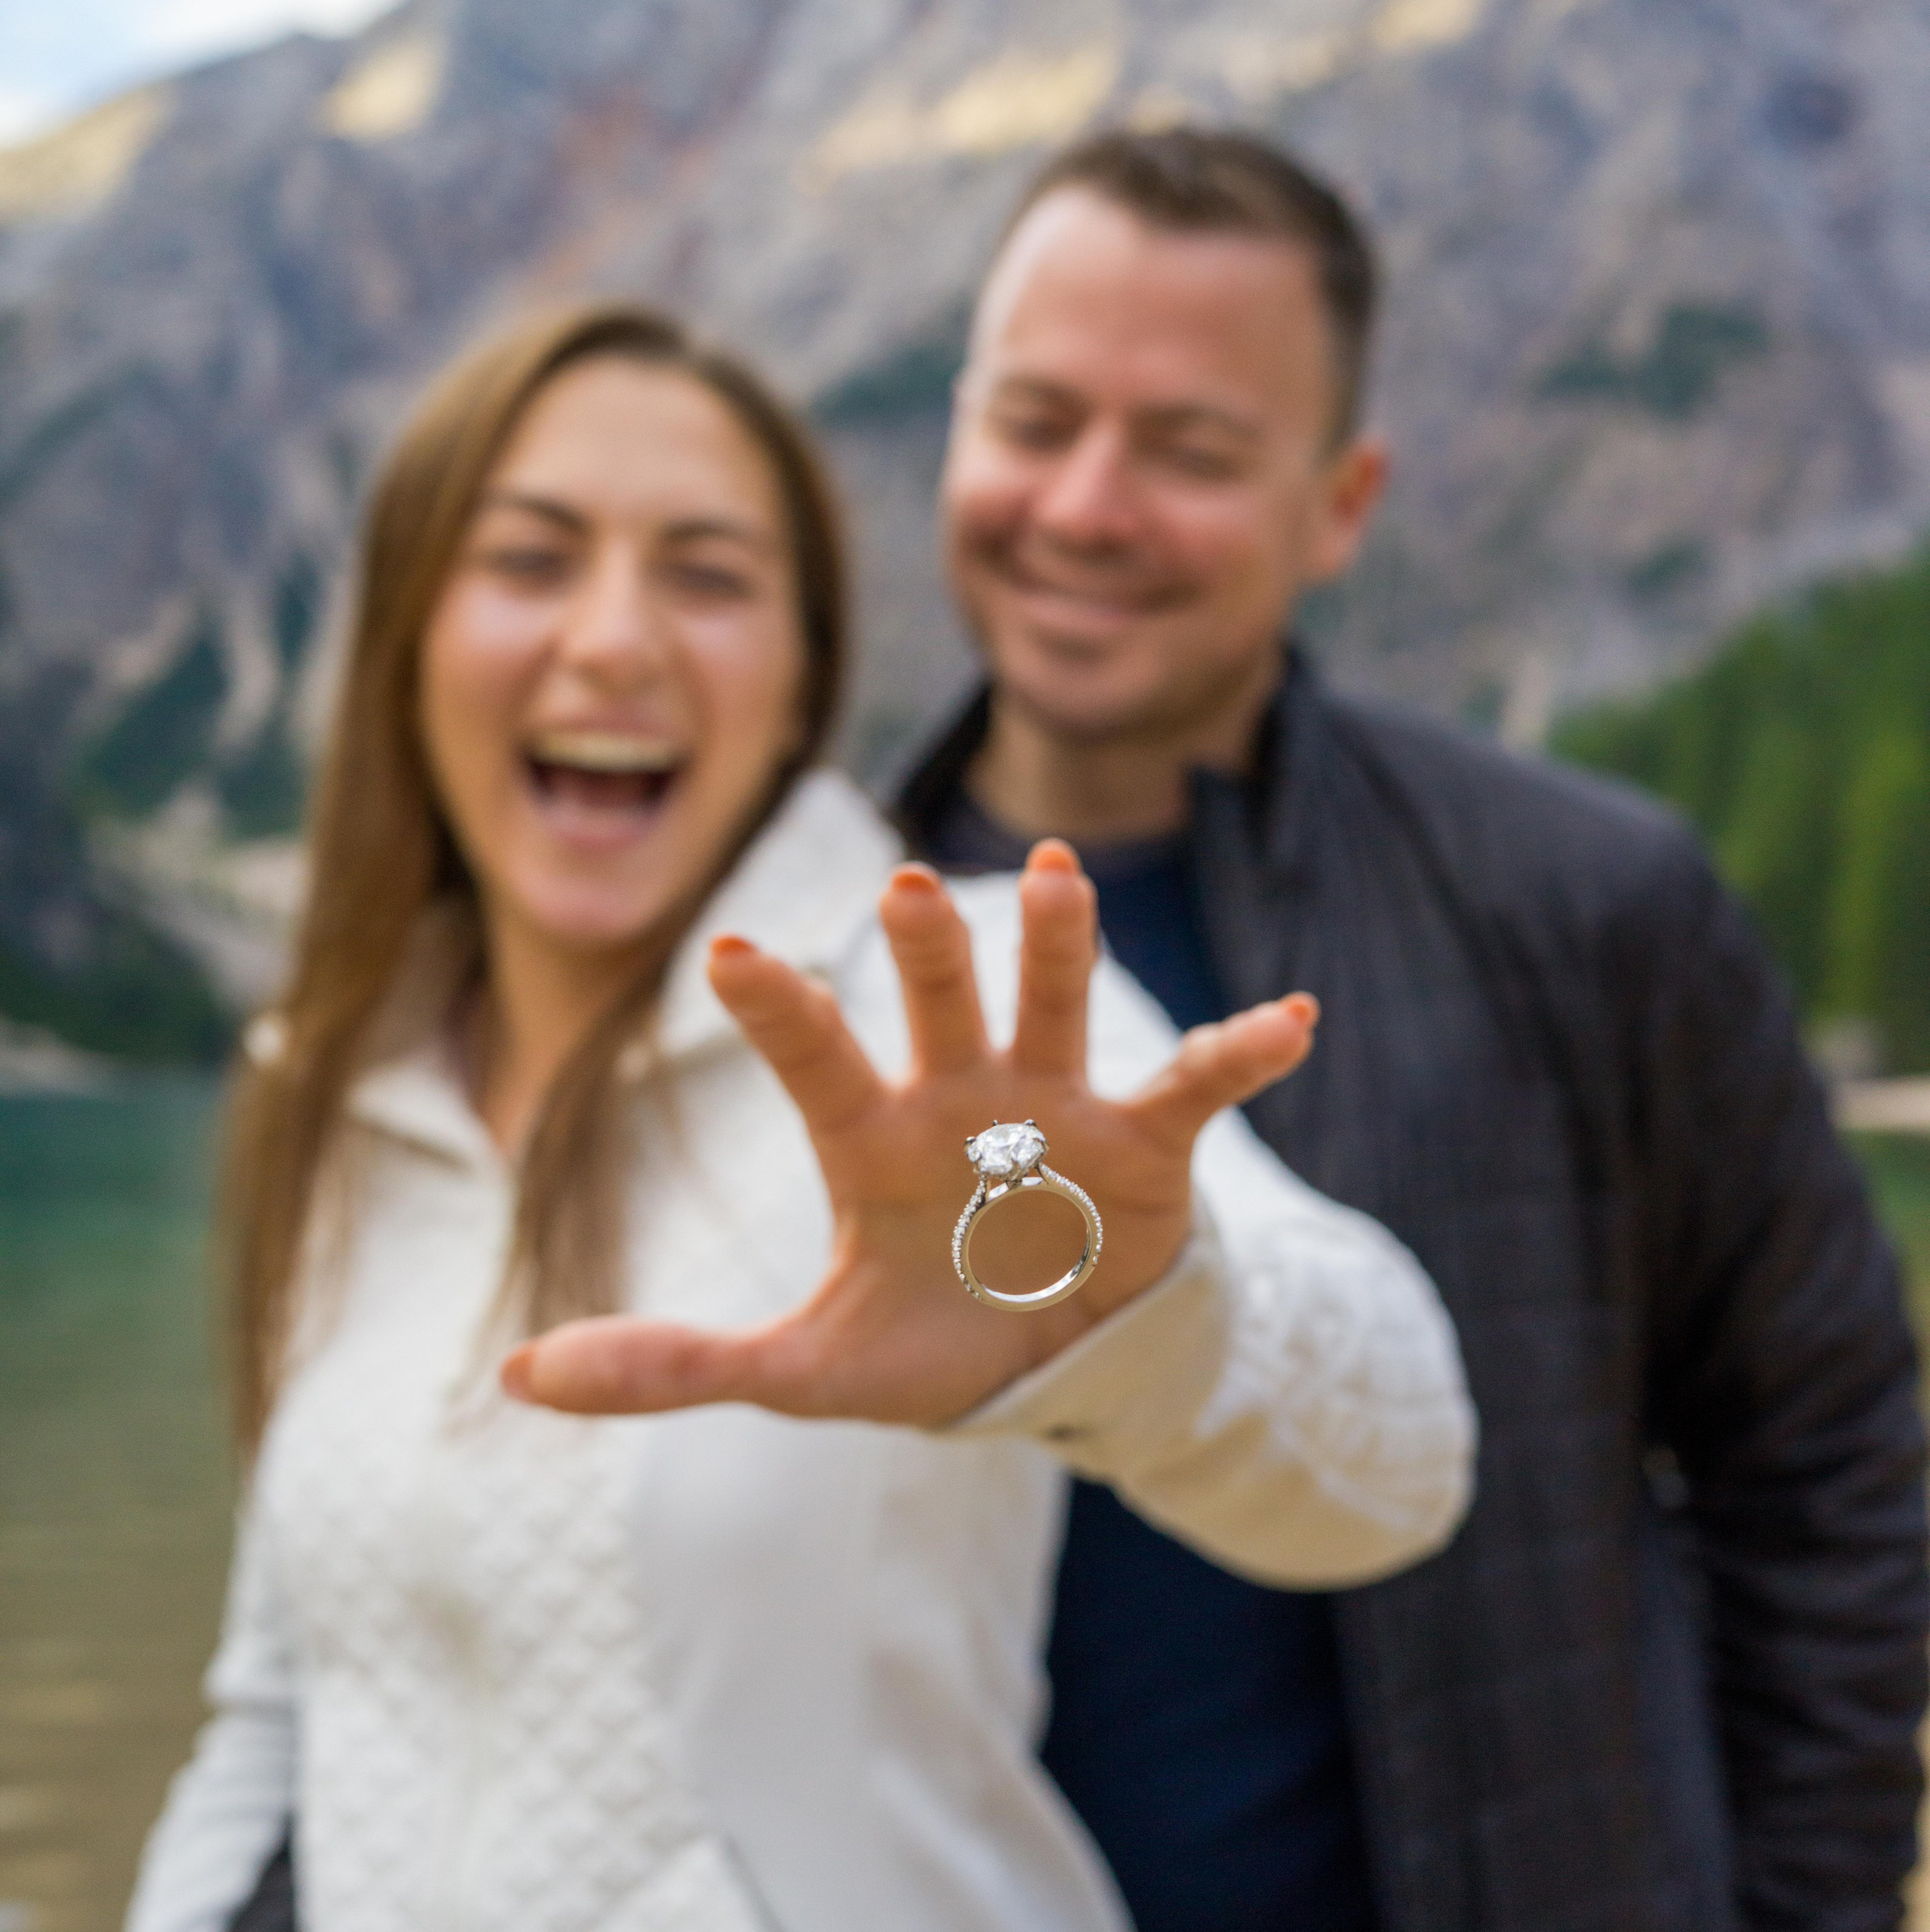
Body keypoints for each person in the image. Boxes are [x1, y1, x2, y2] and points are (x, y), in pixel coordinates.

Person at [125, 301, 1475, 1932]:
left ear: (796, 678)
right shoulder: (336, 1090)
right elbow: (278, 1711)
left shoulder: (950, 1000)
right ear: (409, 631)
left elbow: (1402, 1459)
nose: (615, 638)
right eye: (532, 558)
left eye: (705, 574)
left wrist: (1123, 1328)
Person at [881, 126, 1929, 1930]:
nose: (1084, 505)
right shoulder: (804, 941)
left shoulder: (1586, 901)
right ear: (957, 429)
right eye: (1036, 421)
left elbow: (1826, 1470)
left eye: (1191, 449)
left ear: (1339, 502)